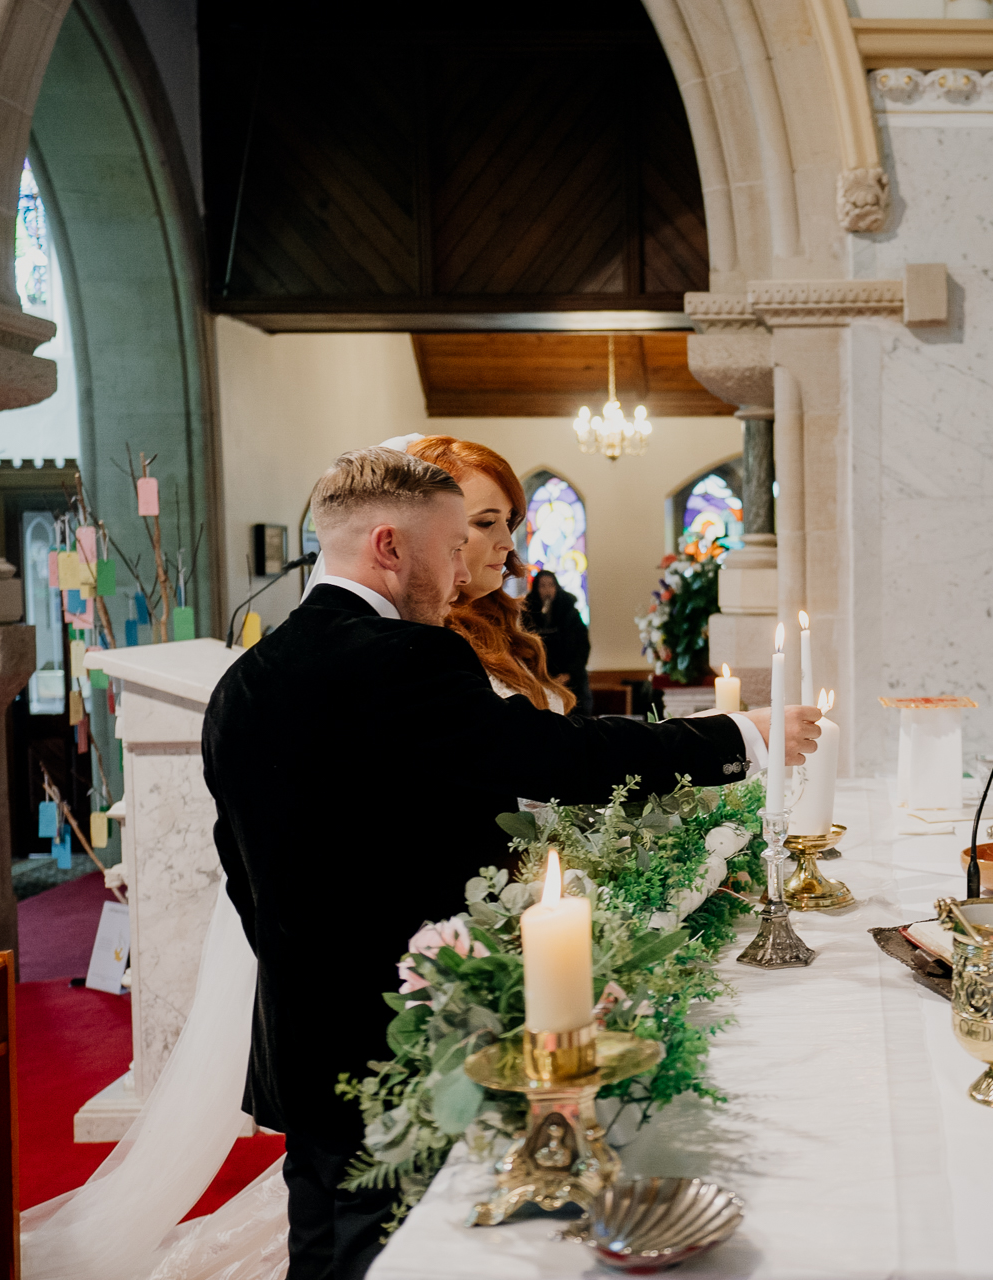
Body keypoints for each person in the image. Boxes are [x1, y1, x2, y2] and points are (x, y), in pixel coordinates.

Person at [204, 447, 819, 1280]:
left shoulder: (241, 683)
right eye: (453, 545)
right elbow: (557, 759)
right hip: (410, 1036)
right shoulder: (405, 658)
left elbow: (242, 873)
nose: (463, 571)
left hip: (301, 1036)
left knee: (319, 1241)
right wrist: (737, 734)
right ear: (389, 547)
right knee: (399, 1248)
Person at [405, 435, 573, 709]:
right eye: (486, 522)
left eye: (508, 521)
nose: (508, 543)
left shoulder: (499, 620)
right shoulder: (427, 640)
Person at [525, 568, 592, 713]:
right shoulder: (529, 615)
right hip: (540, 680)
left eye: (551, 585)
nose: (547, 590)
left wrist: (569, 674)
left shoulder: (570, 613)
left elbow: (582, 646)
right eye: (542, 586)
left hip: (571, 680)